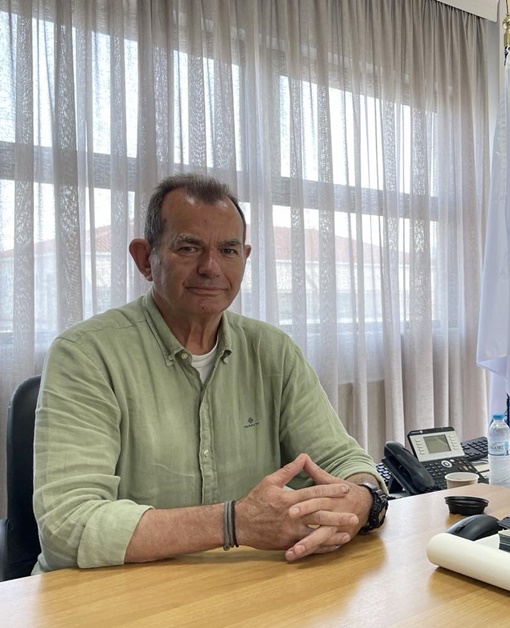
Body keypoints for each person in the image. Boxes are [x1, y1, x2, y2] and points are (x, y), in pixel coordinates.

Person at [33, 174, 388, 573]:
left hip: (242, 585)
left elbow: (341, 460)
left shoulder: (273, 350)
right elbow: (67, 526)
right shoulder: (84, 354)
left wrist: (363, 498)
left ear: (245, 258)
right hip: (115, 592)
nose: (211, 267)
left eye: (228, 250)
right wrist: (234, 523)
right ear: (145, 259)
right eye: (189, 247)